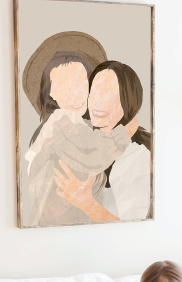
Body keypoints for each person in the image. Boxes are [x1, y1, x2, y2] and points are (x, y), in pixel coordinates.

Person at [25, 52, 134, 226]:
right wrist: (121, 135)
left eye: (81, 84)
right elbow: (93, 155)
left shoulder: (80, 126)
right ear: (52, 92)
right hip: (57, 223)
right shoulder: (61, 122)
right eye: (65, 87)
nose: (75, 94)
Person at [54, 61, 152, 222]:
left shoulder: (135, 156)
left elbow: (132, 227)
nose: (99, 102)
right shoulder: (86, 141)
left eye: (110, 95)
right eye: (95, 92)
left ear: (129, 102)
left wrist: (85, 203)